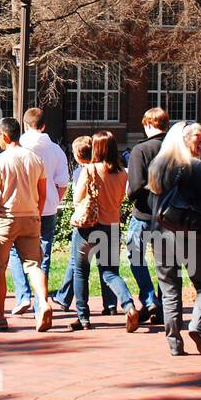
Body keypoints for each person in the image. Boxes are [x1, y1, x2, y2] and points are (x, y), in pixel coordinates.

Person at [147, 121, 201, 356]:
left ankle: (174, 343)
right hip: (188, 233)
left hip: (159, 233)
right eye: (197, 137)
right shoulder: (195, 167)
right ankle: (197, 326)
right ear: (183, 139)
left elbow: (152, 203)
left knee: (169, 289)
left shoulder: (157, 166)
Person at [68, 130, 143, 331]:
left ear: (97, 149)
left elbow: (77, 199)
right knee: (110, 272)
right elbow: (121, 199)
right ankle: (129, 305)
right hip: (111, 226)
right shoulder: (122, 173)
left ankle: (83, 318)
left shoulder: (90, 170)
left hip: (88, 227)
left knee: (81, 271)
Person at [0, 118, 53, 332]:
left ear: (4, 136)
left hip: (5, 218)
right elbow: (43, 194)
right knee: (33, 265)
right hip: (31, 216)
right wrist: (36, 213)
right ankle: (43, 302)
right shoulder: (35, 159)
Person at [10, 107, 70, 317]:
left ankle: (23, 294)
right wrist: (54, 200)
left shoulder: (18, 148)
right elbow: (63, 182)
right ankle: (40, 301)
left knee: (15, 251)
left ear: (25, 124)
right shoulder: (56, 150)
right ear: (44, 126)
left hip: (22, 207)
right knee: (43, 254)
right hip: (47, 208)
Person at [51, 136, 117, 315]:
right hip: (109, 222)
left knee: (78, 264)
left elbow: (77, 198)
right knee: (108, 265)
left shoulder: (84, 172)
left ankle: (68, 301)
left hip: (86, 222)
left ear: (78, 155)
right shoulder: (107, 169)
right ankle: (111, 303)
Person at [125, 107, 169, 326]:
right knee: (165, 262)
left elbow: (134, 188)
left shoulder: (140, 150)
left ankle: (149, 298)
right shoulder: (175, 150)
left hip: (143, 214)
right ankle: (164, 308)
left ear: (148, 124)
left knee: (135, 256)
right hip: (169, 215)